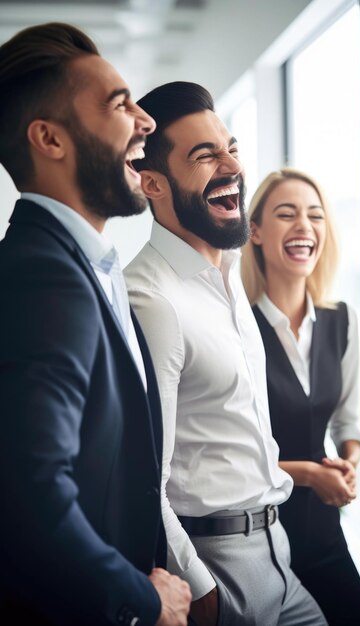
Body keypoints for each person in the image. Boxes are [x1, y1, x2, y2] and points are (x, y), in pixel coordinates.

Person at [0, 23, 191, 626]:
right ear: (49, 139)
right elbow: (28, 494)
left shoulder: (84, 266)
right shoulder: (43, 275)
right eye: (119, 103)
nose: (147, 120)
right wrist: (143, 599)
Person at [124, 81, 327, 626]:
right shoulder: (151, 298)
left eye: (230, 147)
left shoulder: (229, 277)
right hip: (218, 565)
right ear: (152, 184)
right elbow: (144, 477)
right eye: (204, 155)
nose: (230, 164)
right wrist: (200, 585)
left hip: (277, 552)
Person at [240, 167, 360, 626]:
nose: (305, 226)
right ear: (254, 231)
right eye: (287, 214)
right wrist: (309, 474)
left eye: (315, 215)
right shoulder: (239, 330)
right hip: (253, 540)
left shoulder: (343, 322)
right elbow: (230, 457)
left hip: (322, 530)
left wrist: (348, 465)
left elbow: (348, 423)